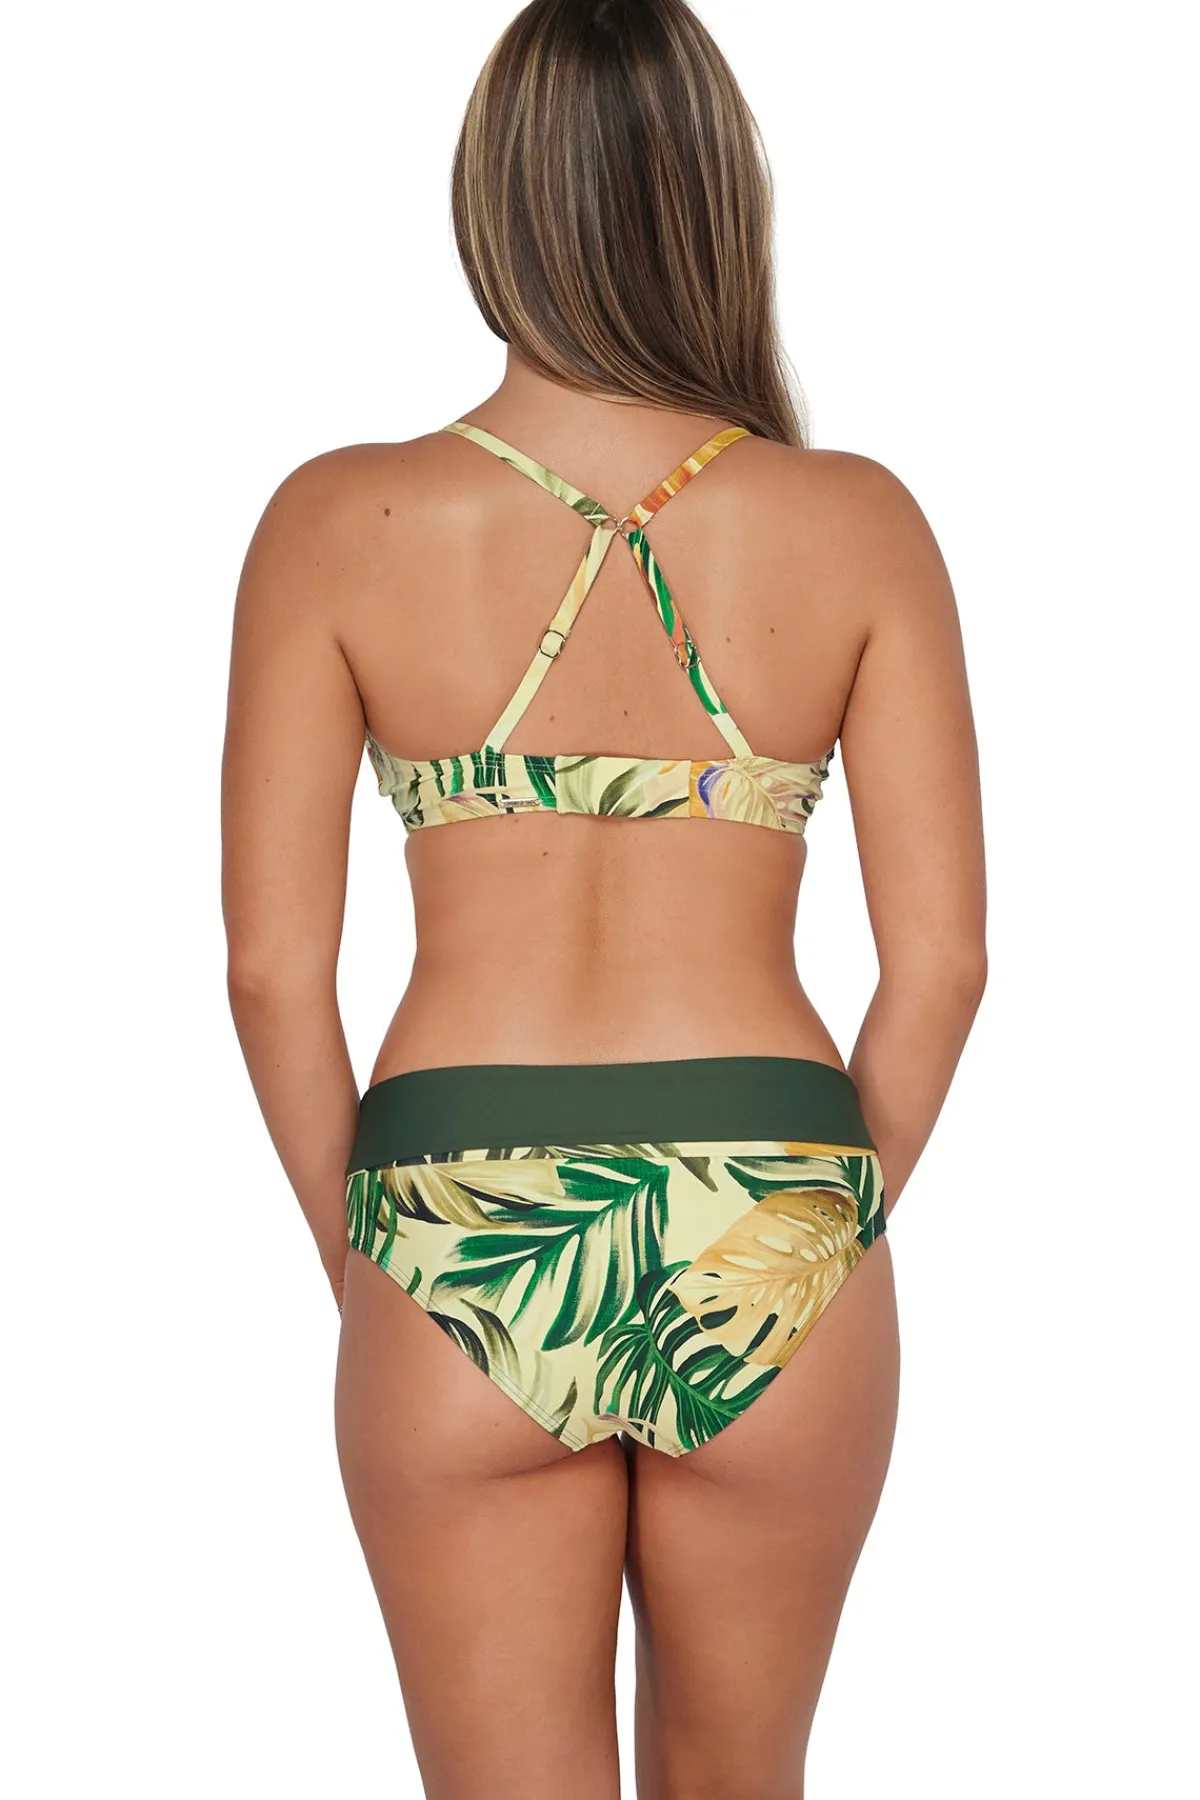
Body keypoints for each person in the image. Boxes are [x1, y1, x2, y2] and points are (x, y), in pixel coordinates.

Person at [221, 1, 986, 1794]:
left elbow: (269, 972)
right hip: (774, 1200)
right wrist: (819, 1226)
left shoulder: (335, 520)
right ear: (718, 198)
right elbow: (944, 963)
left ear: (491, 199)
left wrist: (372, 1265)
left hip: (453, 1201)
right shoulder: (858, 522)